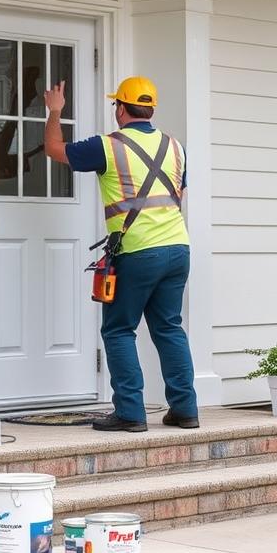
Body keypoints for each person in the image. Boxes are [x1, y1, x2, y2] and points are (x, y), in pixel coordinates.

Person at [43, 76, 198, 433]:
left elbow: (53, 149)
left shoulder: (108, 146)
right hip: (178, 247)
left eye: (116, 104)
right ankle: (185, 410)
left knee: (118, 330)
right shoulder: (175, 147)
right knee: (169, 327)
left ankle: (130, 412)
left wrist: (55, 111)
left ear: (122, 108)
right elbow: (179, 195)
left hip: (138, 250)